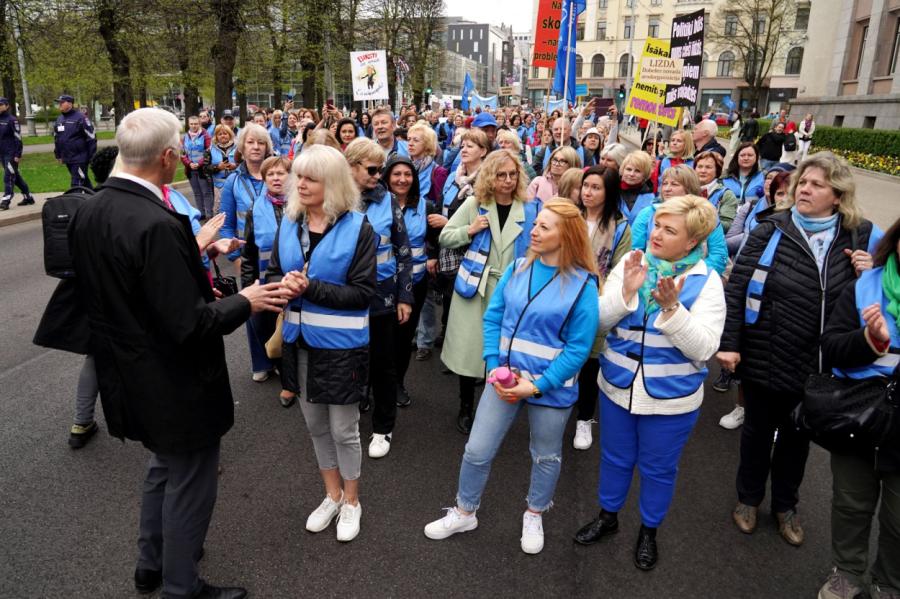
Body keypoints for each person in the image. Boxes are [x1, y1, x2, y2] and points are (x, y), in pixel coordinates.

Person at [69, 107, 286, 598]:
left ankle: (152, 562)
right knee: (190, 481)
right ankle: (181, 586)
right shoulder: (156, 221)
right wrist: (245, 300)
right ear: (169, 157)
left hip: (128, 370)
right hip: (174, 380)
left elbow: (131, 288)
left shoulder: (91, 208)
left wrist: (194, 248)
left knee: (162, 468)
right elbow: (189, 324)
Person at [717, 151, 880, 548]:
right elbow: (737, 288)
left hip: (820, 362)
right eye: (802, 183)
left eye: (816, 184)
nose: (805, 189)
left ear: (837, 195)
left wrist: (870, 271)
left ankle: (786, 505)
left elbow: (884, 293)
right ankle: (748, 499)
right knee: (757, 433)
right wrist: (730, 345)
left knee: (798, 437)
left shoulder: (860, 235)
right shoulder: (770, 229)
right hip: (765, 353)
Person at [424, 200, 599, 554]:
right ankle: (464, 510)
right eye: (536, 225)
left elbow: (578, 350)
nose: (534, 231)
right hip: (503, 382)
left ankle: (534, 513)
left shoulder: (584, 286)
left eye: (544, 227)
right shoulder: (518, 268)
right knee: (476, 450)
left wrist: (536, 386)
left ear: (566, 235)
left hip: (549, 389)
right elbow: (493, 317)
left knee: (546, 456)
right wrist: (492, 363)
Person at [574, 195, 725, 571]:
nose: (655, 233)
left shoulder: (707, 282)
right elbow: (599, 324)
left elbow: (704, 347)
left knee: (659, 469)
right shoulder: (632, 261)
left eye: (669, 229)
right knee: (614, 458)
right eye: (657, 224)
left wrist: (673, 309)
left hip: (672, 400)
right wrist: (625, 292)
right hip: (617, 385)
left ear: (692, 242)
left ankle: (648, 531)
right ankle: (608, 518)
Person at [265, 144, 377, 544]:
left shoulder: (360, 229)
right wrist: (281, 285)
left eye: (310, 178)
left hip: (342, 346)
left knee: (344, 429)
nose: (300, 184)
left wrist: (310, 286)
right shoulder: (289, 221)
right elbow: (273, 273)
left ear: (332, 184)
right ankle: (331, 495)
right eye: (299, 176)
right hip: (298, 343)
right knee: (314, 426)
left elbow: (364, 294)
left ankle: (352, 501)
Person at [817, 217, 900, 599]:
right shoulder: (863, 287)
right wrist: (870, 339)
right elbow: (831, 347)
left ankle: (889, 583)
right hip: (860, 416)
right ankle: (847, 573)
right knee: (851, 503)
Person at [439, 150, 540, 435]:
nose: (508, 180)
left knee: (502, 353)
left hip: (512, 291)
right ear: (489, 177)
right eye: (501, 175)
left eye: (512, 174)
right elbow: (446, 235)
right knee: (470, 353)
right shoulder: (475, 203)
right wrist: (469, 231)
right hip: (476, 287)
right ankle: (466, 407)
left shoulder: (531, 208)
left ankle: (493, 410)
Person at [344, 137, 413, 459]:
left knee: (384, 366)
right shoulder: (334, 199)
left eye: (380, 169)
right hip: (343, 300)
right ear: (351, 167)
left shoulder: (388, 202)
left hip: (382, 301)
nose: (378, 176)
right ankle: (351, 412)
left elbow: (402, 251)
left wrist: (404, 296)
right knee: (349, 362)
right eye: (372, 170)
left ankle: (383, 428)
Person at [572, 165, 631, 450]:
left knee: (591, 359)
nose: (588, 192)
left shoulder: (620, 227)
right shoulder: (570, 216)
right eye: (586, 185)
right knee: (562, 353)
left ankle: (584, 418)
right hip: (562, 294)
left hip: (595, 299)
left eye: (596, 187)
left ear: (609, 192)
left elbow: (619, 270)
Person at [219, 123, 276, 382]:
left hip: (278, 256)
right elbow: (227, 223)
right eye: (251, 142)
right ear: (241, 147)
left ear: (267, 147)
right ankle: (261, 361)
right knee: (253, 309)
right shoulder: (233, 181)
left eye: (260, 143)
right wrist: (235, 257)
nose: (255, 147)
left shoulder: (278, 174)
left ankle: (280, 357)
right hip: (250, 258)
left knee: (280, 308)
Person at [383, 155, 439, 408]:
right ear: (386, 177)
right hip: (381, 284)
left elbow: (438, 239)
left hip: (414, 284)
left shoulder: (426, 207)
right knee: (379, 338)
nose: (402, 179)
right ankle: (370, 386)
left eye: (408, 175)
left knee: (404, 339)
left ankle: (396, 384)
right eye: (396, 174)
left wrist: (434, 256)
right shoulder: (375, 205)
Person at [240, 155, 296, 408]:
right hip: (266, 282)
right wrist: (247, 287)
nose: (275, 178)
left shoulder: (302, 206)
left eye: (281, 173)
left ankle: (291, 382)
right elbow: (249, 253)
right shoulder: (255, 209)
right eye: (270, 174)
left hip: (296, 281)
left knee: (293, 331)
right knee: (270, 330)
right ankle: (280, 370)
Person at [631, 164, 729, 276]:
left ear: (689, 188)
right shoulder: (647, 213)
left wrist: (691, 278)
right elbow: (635, 251)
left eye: (674, 184)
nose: (667, 189)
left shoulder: (706, 216)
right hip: (650, 278)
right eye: (664, 184)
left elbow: (718, 256)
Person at [53, 94, 97, 189]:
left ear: (70, 104)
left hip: (80, 158)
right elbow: (57, 138)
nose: (59, 105)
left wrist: (92, 156)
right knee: (84, 182)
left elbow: (91, 138)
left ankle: (74, 203)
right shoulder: (59, 119)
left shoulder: (81, 118)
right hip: (68, 158)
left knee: (76, 184)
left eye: (61, 102)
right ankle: (96, 200)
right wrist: (58, 155)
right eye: (58, 103)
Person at [0, 97, 34, 210]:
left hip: (11, 153)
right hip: (2, 153)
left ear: (6, 106)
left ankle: (6, 200)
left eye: (1, 105)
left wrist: (18, 154)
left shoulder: (12, 120)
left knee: (8, 177)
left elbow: (18, 138)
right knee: (15, 177)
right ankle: (28, 197)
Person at [693, 150, 739, 233]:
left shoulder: (726, 195)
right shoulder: (686, 189)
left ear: (717, 171)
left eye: (708, 167)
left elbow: (727, 225)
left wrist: (699, 221)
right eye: (699, 166)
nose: (703, 171)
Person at [181, 116, 214, 220]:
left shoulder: (205, 136)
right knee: (197, 192)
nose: (193, 126)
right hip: (190, 169)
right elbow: (182, 154)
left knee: (206, 192)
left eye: (196, 124)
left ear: (199, 124)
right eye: (191, 124)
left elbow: (208, 152)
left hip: (202, 169)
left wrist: (199, 164)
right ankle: (201, 213)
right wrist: (189, 163)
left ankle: (209, 214)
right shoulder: (185, 137)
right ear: (188, 124)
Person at [616, 151, 656, 227]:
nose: (631, 174)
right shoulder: (612, 191)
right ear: (622, 170)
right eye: (628, 169)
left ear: (645, 174)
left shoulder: (650, 198)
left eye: (637, 171)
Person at [204, 124, 238, 212]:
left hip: (236, 185)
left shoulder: (238, 148)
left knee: (236, 208)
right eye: (220, 134)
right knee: (219, 209)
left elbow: (245, 164)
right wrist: (217, 167)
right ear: (216, 136)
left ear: (230, 135)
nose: (223, 136)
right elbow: (205, 168)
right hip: (219, 187)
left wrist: (235, 166)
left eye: (225, 133)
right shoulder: (210, 150)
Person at [721, 142, 765, 207]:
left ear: (757, 157)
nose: (746, 158)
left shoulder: (764, 176)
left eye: (750, 155)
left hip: (753, 215)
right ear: (737, 157)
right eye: (742, 155)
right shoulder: (724, 176)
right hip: (727, 215)